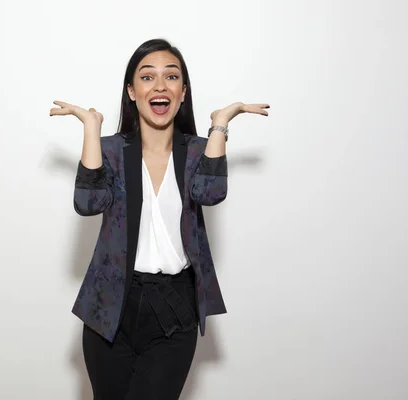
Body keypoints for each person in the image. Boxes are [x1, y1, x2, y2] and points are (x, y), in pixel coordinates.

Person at [49, 38, 269, 400]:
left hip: (174, 307)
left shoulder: (198, 150)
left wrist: (220, 124)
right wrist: (91, 127)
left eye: (172, 76)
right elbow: (88, 202)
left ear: (183, 92)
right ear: (132, 92)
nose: (160, 85)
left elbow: (211, 194)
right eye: (147, 77)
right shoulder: (111, 150)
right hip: (110, 306)